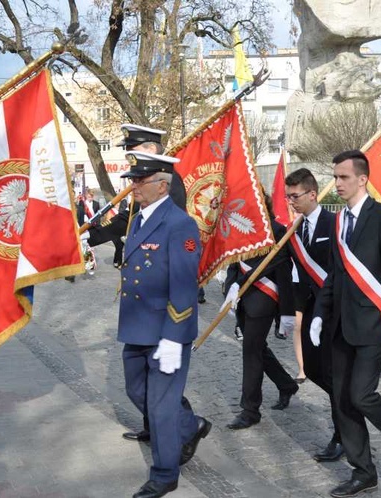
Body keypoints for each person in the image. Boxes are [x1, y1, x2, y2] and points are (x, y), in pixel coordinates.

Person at [311, 150, 381, 497]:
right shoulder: (339, 220)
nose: (337, 183)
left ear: (362, 179)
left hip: (374, 325)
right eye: (335, 176)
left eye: (343, 177)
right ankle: (364, 472)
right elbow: (335, 274)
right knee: (342, 401)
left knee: (361, 395)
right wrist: (319, 312)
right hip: (342, 325)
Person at [86, 124, 189, 444]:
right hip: (140, 302)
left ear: (152, 149)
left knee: (161, 381)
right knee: (142, 378)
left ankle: (185, 427)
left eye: (135, 151)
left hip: (160, 296)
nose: (130, 158)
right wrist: (88, 234)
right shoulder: (140, 185)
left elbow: (170, 235)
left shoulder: (168, 185)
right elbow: (122, 223)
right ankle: (156, 425)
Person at [118, 151, 211, 498]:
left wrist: (174, 337)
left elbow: (185, 284)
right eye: (133, 180)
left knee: (160, 406)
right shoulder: (140, 219)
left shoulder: (179, 223)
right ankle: (191, 425)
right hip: (138, 326)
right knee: (135, 391)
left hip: (166, 330)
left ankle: (164, 473)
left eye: (140, 181)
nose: (134, 187)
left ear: (162, 186)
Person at [283, 167, 344, 462]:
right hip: (307, 311)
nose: (291, 201)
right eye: (287, 196)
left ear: (311, 194)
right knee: (316, 371)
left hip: (332, 313)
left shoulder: (335, 223)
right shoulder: (295, 229)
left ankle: (342, 434)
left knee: (332, 373)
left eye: (295, 196)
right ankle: (346, 407)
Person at [223, 194, 298, 430]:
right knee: (257, 348)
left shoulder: (277, 230)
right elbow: (235, 260)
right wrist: (231, 286)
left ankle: (250, 410)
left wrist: (286, 312)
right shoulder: (243, 229)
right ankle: (286, 385)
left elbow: (284, 271)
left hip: (265, 299)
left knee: (251, 350)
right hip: (244, 299)